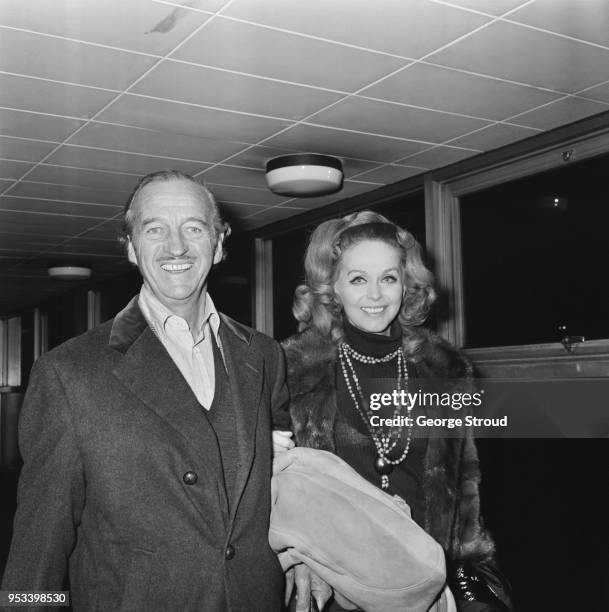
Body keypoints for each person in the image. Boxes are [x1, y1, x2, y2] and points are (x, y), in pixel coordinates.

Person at [1, 170, 290, 611]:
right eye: (155, 229)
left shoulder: (264, 356)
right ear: (132, 248)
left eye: (194, 228)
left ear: (219, 243)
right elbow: (37, 549)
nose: (176, 246)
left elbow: (282, 486)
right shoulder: (69, 372)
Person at [281, 211, 513, 612]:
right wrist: (297, 557)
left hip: (423, 583)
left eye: (388, 278)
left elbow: (463, 490)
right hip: (335, 587)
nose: (376, 295)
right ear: (331, 289)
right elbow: (272, 493)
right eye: (358, 279)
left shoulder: (445, 369)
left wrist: (469, 569)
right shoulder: (292, 371)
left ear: (406, 285)